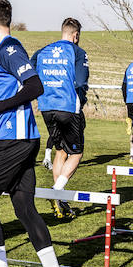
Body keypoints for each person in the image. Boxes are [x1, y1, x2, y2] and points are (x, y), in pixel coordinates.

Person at [0, 0, 69, 267]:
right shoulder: (5, 51)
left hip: (15, 141)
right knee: (24, 209)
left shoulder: (8, 49)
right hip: (19, 138)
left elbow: (34, 86)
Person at [30, 17, 89, 219]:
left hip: (46, 107)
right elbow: (81, 81)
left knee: (61, 150)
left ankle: (59, 200)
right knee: (76, 153)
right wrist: (82, 99)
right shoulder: (77, 51)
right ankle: (56, 190)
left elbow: (29, 72)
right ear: (76, 35)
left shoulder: (43, 51)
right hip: (68, 107)